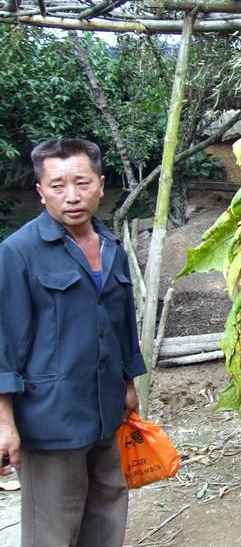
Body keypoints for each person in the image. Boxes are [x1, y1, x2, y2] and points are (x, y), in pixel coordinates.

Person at [0, 138, 147, 547]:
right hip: (50, 418)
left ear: (100, 185)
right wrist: (4, 422)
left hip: (105, 408)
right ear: (40, 191)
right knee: (54, 529)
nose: (72, 196)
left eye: (81, 183)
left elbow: (121, 324)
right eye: (58, 185)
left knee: (106, 512)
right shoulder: (18, 253)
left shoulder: (112, 247)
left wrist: (130, 384)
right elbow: (3, 342)